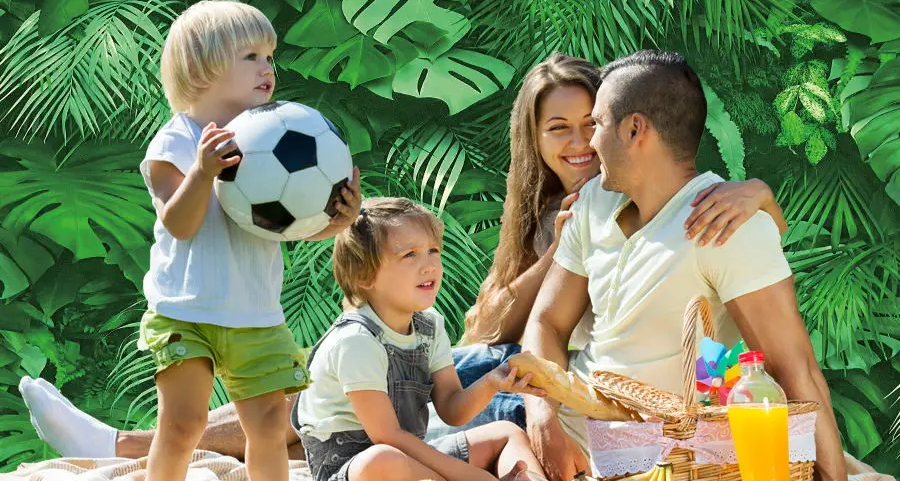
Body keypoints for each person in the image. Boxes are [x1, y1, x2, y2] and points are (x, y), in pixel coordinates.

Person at [17, 53, 785, 461]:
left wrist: (757, 191)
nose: (580, 141)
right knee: (341, 383)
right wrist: (544, 257)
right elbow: (487, 319)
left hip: (566, 392)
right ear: (537, 141)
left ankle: (122, 444)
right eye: (559, 128)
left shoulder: (648, 198)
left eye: (594, 122)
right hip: (498, 367)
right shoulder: (556, 215)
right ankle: (128, 442)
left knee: (336, 398)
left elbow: (733, 232)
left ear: (628, 126)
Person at [520, 50, 847, 481]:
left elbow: (794, 367)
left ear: (635, 129)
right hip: (552, 426)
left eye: (597, 124)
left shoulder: (727, 225)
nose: (590, 142)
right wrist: (543, 420)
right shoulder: (594, 202)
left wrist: (836, 477)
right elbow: (546, 321)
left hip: (655, 461)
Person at [126, 0, 361, 481]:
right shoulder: (175, 142)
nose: (267, 68)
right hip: (185, 311)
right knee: (184, 422)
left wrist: (337, 221)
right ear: (201, 66)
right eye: (250, 56)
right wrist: (203, 169)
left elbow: (283, 226)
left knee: (271, 423)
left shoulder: (272, 135)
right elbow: (181, 224)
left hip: (254, 313)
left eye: (270, 57)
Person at [294, 197, 547, 481]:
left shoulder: (429, 326)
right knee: (383, 460)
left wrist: (491, 382)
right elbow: (387, 437)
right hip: (357, 469)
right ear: (365, 276)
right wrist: (472, 477)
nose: (429, 265)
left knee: (507, 433)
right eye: (410, 254)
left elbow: (451, 409)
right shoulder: (356, 341)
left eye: (433, 250)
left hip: (411, 458)